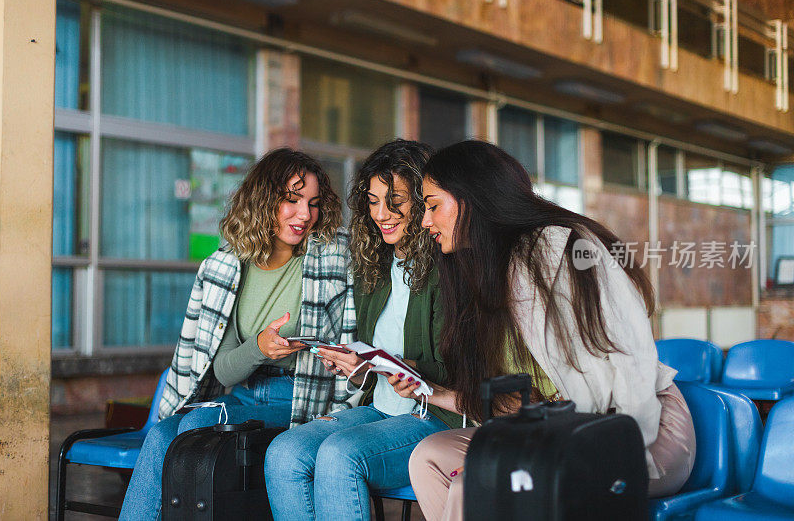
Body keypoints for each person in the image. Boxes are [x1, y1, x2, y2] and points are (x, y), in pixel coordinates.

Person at [402, 140, 696, 521]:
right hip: (552, 428)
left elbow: (627, 365)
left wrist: (609, 451)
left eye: (432, 205)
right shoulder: (486, 272)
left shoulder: (562, 247)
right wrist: (434, 391)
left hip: (634, 429)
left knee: (473, 484)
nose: (424, 221)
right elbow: (519, 402)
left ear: (473, 198)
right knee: (429, 457)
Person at [119, 148, 356, 521]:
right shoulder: (229, 266)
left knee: (196, 427)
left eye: (312, 203)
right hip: (247, 395)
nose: (304, 215)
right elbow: (226, 372)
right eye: (291, 201)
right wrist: (259, 346)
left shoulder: (331, 258)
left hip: (301, 396)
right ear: (263, 200)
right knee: (163, 433)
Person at [264, 139, 463, 521]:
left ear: (424, 201)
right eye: (372, 201)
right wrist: (358, 369)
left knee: (341, 456)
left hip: (434, 418)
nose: (382, 213)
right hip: (381, 410)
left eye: (396, 201)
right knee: (284, 453)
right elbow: (373, 366)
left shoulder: (449, 268)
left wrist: (391, 365)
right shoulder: (374, 266)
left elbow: (453, 372)